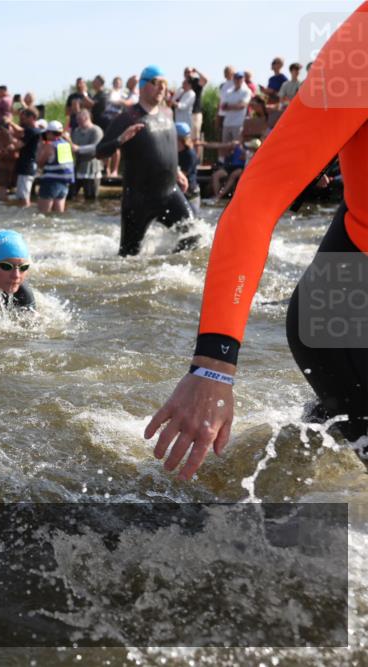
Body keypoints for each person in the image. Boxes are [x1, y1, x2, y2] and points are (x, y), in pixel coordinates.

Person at [146, 2, 367, 480]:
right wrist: (213, 366)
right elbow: (256, 200)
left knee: (321, 459)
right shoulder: (364, 45)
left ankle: (292, 471)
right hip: (346, 312)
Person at [95, 65, 196, 256]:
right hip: (138, 199)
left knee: (193, 235)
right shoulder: (127, 117)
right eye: (156, 83)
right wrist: (120, 140)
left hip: (169, 192)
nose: (161, 88)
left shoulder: (167, 113)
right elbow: (99, 152)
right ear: (142, 85)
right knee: (128, 256)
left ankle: (166, 267)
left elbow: (166, 146)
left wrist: (177, 171)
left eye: (164, 84)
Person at [36, 120, 75, 213]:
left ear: (49, 133)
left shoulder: (50, 146)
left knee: (43, 214)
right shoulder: (66, 145)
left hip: (51, 182)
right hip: (64, 183)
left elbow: (40, 163)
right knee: (58, 214)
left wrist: (40, 147)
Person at [70, 110, 104, 201]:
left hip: (92, 169)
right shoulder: (76, 131)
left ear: (86, 118)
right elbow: (72, 146)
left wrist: (78, 149)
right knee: (70, 197)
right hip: (78, 168)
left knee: (91, 199)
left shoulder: (96, 130)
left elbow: (96, 147)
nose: (77, 121)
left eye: (79, 119)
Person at [10, 108, 41, 208]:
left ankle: (26, 217)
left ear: (32, 118)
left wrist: (9, 137)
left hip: (27, 166)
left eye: (25, 118)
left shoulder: (32, 131)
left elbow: (19, 145)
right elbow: (20, 131)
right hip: (27, 165)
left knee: (24, 197)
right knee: (21, 195)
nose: (23, 121)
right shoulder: (35, 130)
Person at [0, 112, 18, 201]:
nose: (5, 126)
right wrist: (1, 151)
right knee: (2, 187)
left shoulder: (17, 132)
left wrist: (13, 147)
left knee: (16, 188)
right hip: (3, 163)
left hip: (16, 164)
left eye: (6, 123)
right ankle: (2, 206)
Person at [175, 122, 199, 212]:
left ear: (178, 138)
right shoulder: (175, 151)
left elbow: (181, 177)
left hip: (190, 194)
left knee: (191, 222)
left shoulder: (189, 154)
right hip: (180, 191)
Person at [220, 72, 252, 142]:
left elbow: (242, 106)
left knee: (237, 146)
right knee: (225, 147)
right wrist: (235, 105)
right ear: (233, 79)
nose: (238, 80)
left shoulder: (246, 91)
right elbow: (222, 107)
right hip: (227, 123)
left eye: (240, 78)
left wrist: (228, 106)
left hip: (238, 123)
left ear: (243, 79)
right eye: (236, 78)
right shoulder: (228, 92)